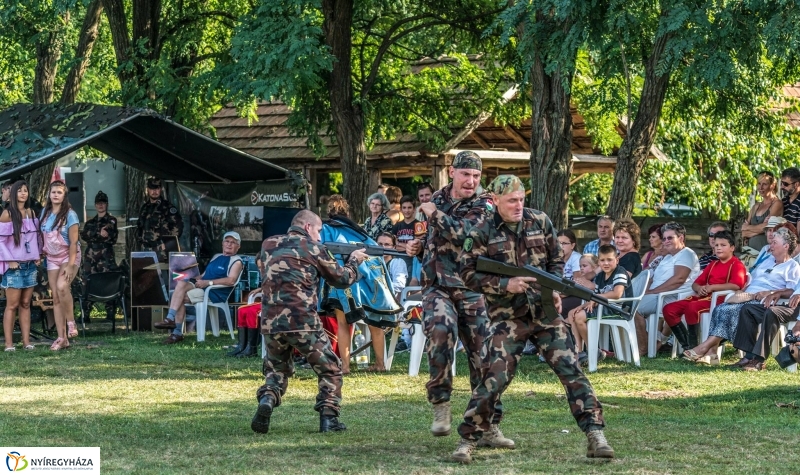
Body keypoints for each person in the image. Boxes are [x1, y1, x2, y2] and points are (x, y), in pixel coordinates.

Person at [454, 175, 612, 463]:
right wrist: (505, 285)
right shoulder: (481, 230)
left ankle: (596, 434)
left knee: (571, 370)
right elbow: (466, 273)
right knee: (494, 377)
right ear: (496, 200)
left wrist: (553, 290)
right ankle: (468, 440)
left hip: (545, 315)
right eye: (512, 201)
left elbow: (555, 260)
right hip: (508, 317)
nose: (518, 206)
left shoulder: (539, 221)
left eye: (521, 199)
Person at [405, 150, 502, 441]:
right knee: (439, 330)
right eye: (466, 174)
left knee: (483, 357)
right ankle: (441, 403)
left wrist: (434, 214)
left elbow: (467, 234)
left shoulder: (485, 202)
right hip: (437, 285)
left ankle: (488, 425)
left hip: (472, 287)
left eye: (476, 176)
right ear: (452, 172)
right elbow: (428, 235)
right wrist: (418, 246)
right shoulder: (437, 198)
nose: (471, 181)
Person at [250, 210, 368, 434]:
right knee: (331, 369)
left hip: (270, 321)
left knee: (276, 369)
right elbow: (342, 279)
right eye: (319, 230)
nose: (320, 236)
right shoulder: (315, 249)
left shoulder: (268, 244)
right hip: (303, 321)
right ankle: (329, 419)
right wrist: (354, 261)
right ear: (307, 228)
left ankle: (267, 399)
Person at [684, 227, 800, 365]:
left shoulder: (792, 267)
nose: (771, 245)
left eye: (774, 242)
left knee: (730, 310)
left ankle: (703, 347)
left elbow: (792, 291)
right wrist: (745, 289)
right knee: (720, 308)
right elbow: (753, 278)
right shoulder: (767, 261)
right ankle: (711, 353)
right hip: (748, 295)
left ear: (786, 246)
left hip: (763, 300)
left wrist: (773, 293)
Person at [659, 231, 747, 351]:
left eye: (723, 245)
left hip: (720, 300)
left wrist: (712, 287)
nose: (719, 248)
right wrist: (699, 288)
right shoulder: (713, 264)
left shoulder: (736, 264)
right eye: (716, 245)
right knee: (669, 309)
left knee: (692, 307)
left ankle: (694, 347)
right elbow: (695, 284)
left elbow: (736, 285)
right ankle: (687, 346)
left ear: (732, 247)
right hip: (701, 298)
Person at [153, 232, 244, 343]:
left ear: (238, 246)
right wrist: (192, 278)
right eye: (227, 241)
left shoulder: (236, 261)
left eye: (233, 242)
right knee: (180, 284)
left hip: (214, 292)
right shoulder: (217, 257)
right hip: (202, 286)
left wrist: (208, 283)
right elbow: (204, 275)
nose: (229, 244)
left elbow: (231, 280)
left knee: (180, 296)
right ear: (222, 243)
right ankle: (170, 319)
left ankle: (176, 331)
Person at [633, 222, 701, 356]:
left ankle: (644, 348)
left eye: (670, 238)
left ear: (681, 238)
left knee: (635, 309)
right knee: (629, 305)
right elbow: (652, 277)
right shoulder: (668, 257)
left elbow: (678, 280)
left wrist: (652, 291)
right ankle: (649, 344)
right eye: (664, 238)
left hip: (673, 297)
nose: (666, 241)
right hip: (659, 295)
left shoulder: (686, 254)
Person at [568, 244, 632, 362]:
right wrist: (581, 306)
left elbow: (617, 294)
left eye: (609, 260)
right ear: (598, 262)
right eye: (602, 260)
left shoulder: (620, 272)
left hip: (618, 309)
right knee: (573, 313)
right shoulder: (600, 276)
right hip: (605, 306)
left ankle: (593, 351)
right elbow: (594, 297)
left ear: (617, 260)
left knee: (579, 317)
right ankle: (579, 352)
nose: (606, 263)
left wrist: (596, 298)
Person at [40, 180, 82, 351]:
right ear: (49, 195)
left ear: (64, 195)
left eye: (59, 192)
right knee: (55, 296)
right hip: (51, 257)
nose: (55, 195)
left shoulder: (70, 214)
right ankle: (61, 337)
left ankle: (71, 322)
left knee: (63, 286)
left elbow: (73, 242)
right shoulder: (44, 212)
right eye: (53, 192)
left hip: (68, 255)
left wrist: (71, 265)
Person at [1, 180, 42, 351]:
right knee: (12, 304)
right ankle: (9, 344)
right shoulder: (7, 214)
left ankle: (27, 342)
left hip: (29, 265)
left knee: (26, 303)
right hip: (14, 267)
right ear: (13, 194)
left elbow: (37, 237)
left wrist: (38, 254)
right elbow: (1, 241)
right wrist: (9, 260)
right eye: (20, 191)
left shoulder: (31, 213)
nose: (23, 194)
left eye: (25, 191)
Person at [364, 232, 409, 372]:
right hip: (371, 304)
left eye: (387, 244)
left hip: (392, 305)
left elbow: (399, 285)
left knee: (374, 322)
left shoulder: (397, 262)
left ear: (394, 247)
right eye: (379, 244)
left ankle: (379, 363)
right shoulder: (370, 262)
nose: (382, 247)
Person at [80, 190, 119, 322]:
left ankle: (110, 313)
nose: (100, 205)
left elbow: (110, 237)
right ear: (95, 205)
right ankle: (85, 314)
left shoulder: (111, 220)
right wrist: (98, 233)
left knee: (108, 282)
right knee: (87, 282)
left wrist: (94, 235)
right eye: (98, 203)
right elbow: (84, 235)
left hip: (106, 257)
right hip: (90, 258)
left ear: (107, 204)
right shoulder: (90, 222)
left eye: (103, 203)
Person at [135, 177, 184, 262]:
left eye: (157, 188)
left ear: (160, 189)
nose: (154, 191)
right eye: (152, 188)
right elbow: (140, 226)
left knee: (163, 274)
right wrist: (140, 240)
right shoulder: (145, 208)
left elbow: (177, 227)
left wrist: (167, 243)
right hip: (146, 250)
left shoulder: (168, 207)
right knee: (147, 274)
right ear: (147, 190)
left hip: (162, 251)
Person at [742, 171, 783, 250]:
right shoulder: (755, 206)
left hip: (767, 254)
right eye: (759, 183)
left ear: (772, 185)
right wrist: (760, 229)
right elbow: (743, 232)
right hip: (750, 254)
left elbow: (767, 228)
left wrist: (748, 227)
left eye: (764, 184)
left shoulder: (776, 204)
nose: (760, 188)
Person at [392, 195, 419, 272]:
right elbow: (394, 246)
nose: (407, 210)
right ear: (400, 209)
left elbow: (415, 247)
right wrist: (407, 246)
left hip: (413, 261)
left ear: (414, 209)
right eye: (404, 208)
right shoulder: (397, 226)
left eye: (409, 207)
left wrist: (399, 243)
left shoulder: (419, 225)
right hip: (398, 260)